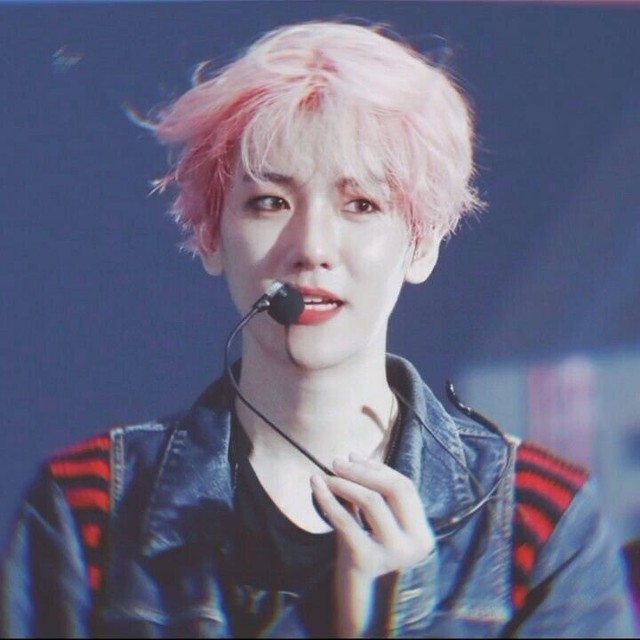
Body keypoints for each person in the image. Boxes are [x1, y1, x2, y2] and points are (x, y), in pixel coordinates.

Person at [0, 20, 635, 638]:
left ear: (423, 245)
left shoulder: (535, 521)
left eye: (361, 205)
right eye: (269, 202)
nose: (311, 248)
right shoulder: (92, 509)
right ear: (210, 234)